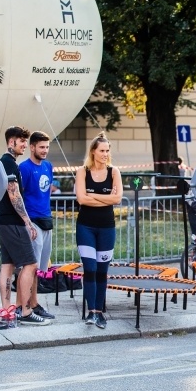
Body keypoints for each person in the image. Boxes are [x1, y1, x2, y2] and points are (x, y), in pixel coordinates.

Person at [0, 126, 49, 326]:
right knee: (31, 264)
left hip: (2, 221)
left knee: (7, 266)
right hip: (12, 222)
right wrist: (27, 222)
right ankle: (25, 311)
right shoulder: (9, 164)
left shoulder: (4, 163)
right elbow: (13, 193)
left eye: (26, 141)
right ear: (11, 142)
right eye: (21, 141)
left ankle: (8, 309)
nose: (25, 145)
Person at [75, 132, 123, 329]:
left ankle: (100, 312)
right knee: (90, 269)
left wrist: (92, 195)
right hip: (85, 226)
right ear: (93, 152)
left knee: (102, 271)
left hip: (107, 228)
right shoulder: (82, 172)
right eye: (102, 150)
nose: (105, 154)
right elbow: (81, 200)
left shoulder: (114, 172)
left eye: (107, 150)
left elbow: (117, 199)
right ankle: (91, 311)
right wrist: (106, 198)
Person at [18, 131, 56, 320]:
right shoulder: (24, 168)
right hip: (32, 221)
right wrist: (26, 222)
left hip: (46, 219)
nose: (45, 150)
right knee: (31, 266)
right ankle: (28, 305)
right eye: (41, 147)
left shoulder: (48, 166)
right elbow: (18, 195)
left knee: (40, 268)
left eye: (47, 147)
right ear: (32, 147)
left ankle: (34, 303)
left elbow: (46, 192)